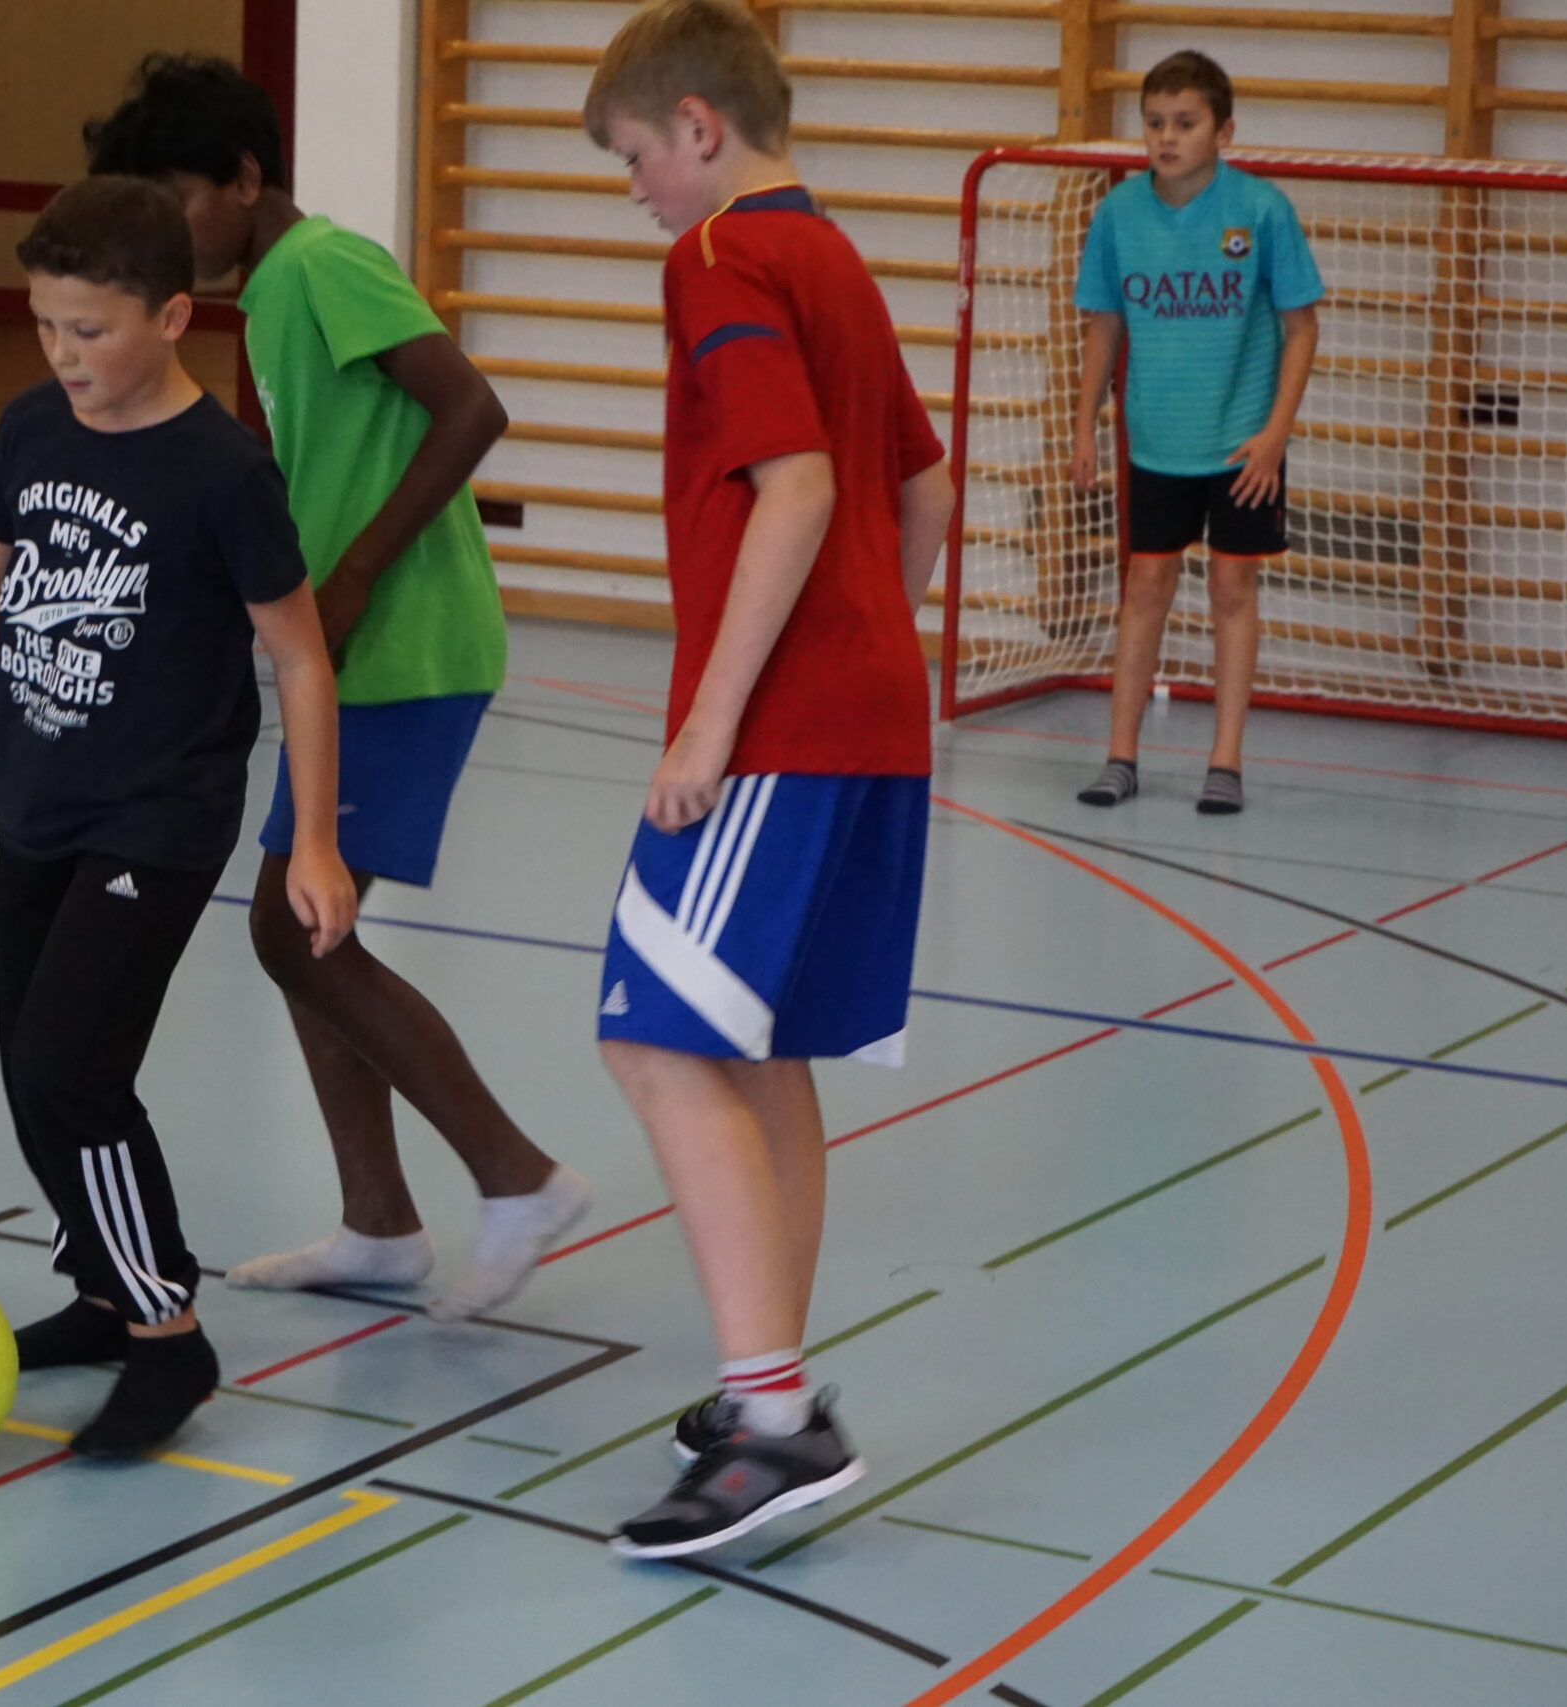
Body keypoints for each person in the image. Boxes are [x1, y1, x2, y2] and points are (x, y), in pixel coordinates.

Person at [0, 176, 355, 1458]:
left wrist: (312, 837)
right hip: (42, 803)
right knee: (32, 1071)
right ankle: (100, 1288)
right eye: (44, 325)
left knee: (69, 1071)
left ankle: (165, 1333)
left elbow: (301, 657)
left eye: (89, 330)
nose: (62, 355)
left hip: (158, 820)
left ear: (172, 317)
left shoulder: (222, 473)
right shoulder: (33, 429)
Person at [85, 56, 589, 1321]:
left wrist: (356, 574)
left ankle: (516, 1177)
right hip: (352, 655)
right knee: (308, 932)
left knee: (287, 928)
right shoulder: (267, 299)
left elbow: (470, 408)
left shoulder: (323, 265)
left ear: (245, 179)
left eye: (177, 200)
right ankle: (377, 1223)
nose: (167, 232)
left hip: (411, 650)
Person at [580, 0, 956, 1558]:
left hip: (783, 727)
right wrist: (870, 638)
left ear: (699, 127)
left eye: (634, 157)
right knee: (760, 1051)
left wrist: (713, 723)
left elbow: (797, 484)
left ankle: (775, 1411)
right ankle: (768, 1385)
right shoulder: (836, 257)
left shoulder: (722, 255)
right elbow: (922, 487)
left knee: (654, 1037)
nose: (635, 192)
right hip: (871, 714)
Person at [1071, 49, 1322, 816]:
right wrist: (1083, 425)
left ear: (1223, 131)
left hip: (1242, 445)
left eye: (1185, 123)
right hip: (1156, 440)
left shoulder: (1261, 211)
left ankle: (1225, 761)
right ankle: (1121, 755)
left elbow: (1301, 328)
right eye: (1154, 123)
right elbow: (1103, 326)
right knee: (1145, 586)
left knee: (1231, 587)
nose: (1166, 137)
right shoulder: (1118, 214)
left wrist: (1275, 434)